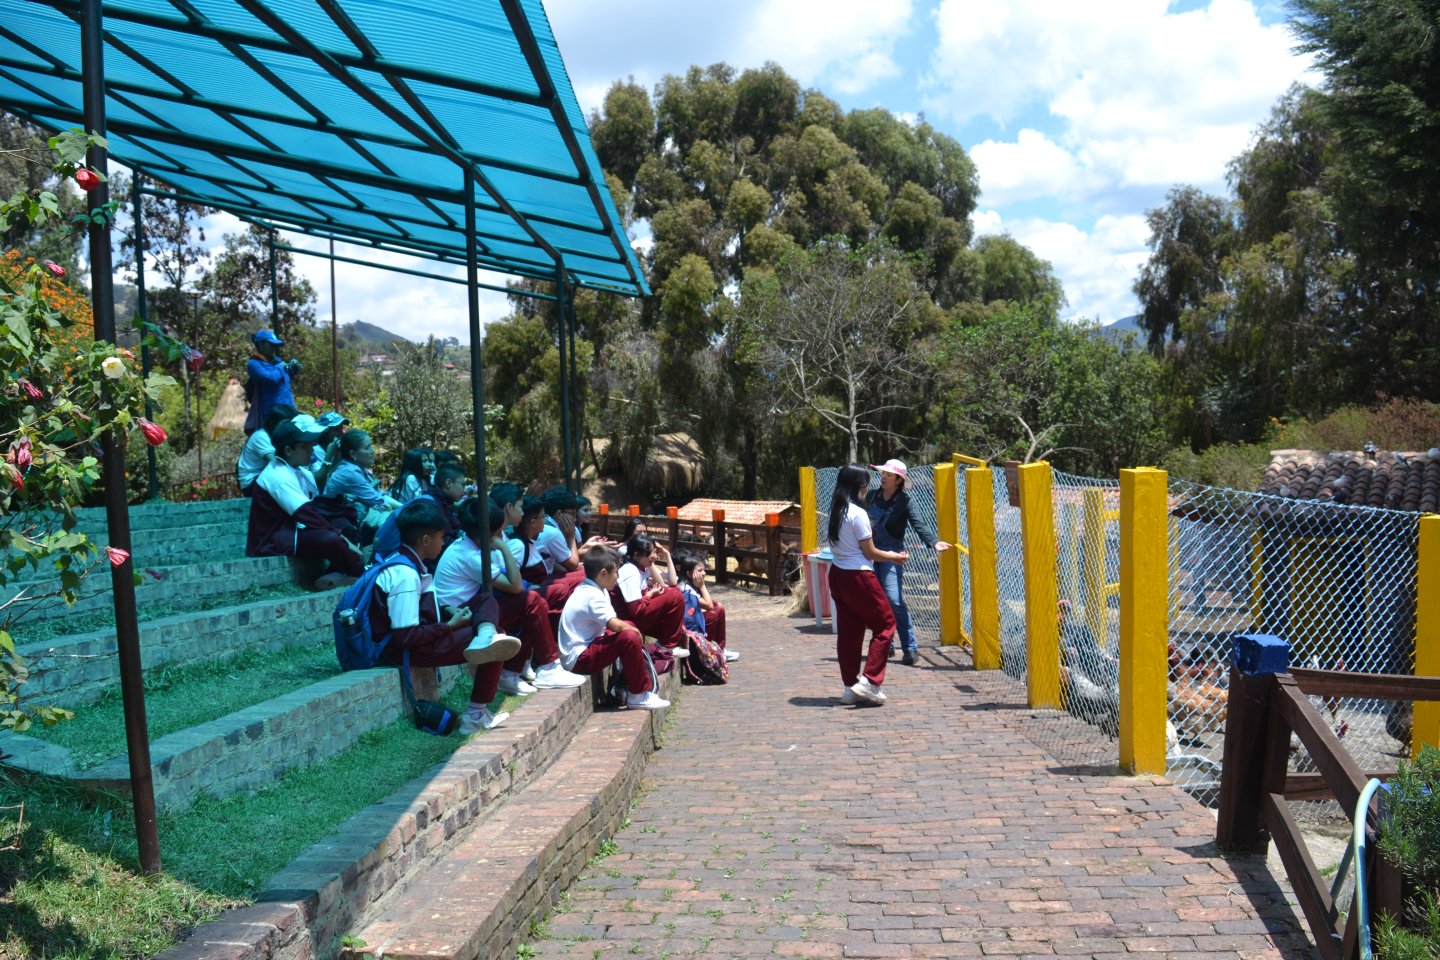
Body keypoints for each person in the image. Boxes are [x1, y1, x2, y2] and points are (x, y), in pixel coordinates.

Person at [372, 499, 522, 735]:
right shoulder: (405, 576)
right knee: (499, 642)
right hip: (408, 650)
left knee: (485, 599)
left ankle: (485, 633)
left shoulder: (411, 562)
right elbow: (405, 636)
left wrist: (449, 613)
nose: (443, 543)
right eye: (440, 538)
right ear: (425, 540)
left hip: (427, 632)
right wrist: (449, 626)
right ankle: (475, 715)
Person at [433, 499, 587, 696]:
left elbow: (513, 582)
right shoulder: (470, 556)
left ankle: (516, 672)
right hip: (464, 615)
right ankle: (546, 667)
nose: (501, 536)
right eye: (497, 532)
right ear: (485, 535)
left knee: (534, 601)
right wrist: (504, 548)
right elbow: (515, 586)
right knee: (532, 601)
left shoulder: (472, 546)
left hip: (478, 607)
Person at [246, 418, 364, 585]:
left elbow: (318, 503)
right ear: (288, 450)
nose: (311, 450)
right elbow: (306, 513)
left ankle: (335, 575)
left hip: (296, 529)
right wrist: (342, 537)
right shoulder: (277, 476)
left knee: (346, 522)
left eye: (311, 445)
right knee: (331, 538)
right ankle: (362, 574)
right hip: (276, 539)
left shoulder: (300, 471)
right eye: (304, 446)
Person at [827, 463, 907, 705]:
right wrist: (896, 556)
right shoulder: (857, 513)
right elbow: (870, 553)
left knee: (850, 633)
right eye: (866, 483)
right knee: (886, 624)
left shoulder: (835, 511)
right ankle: (870, 681)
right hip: (859, 576)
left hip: (838, 575)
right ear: (859, 486)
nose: (867, 487)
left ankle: (850, 687)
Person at [557, 545, 669, 711]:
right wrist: (636, 632)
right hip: (578, 659)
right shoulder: (591, 595)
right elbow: (615, 625)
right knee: (629, 636)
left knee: (629, 628)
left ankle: (630, 684)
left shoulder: (597, 588)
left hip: (588, 647)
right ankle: (638, 694)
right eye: (615, 572)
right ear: (603, 573)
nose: (617, 577)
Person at [865, 459, 951, 666]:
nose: (883, 477)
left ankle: (910, 648)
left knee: (894, 600)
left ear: (898, 480)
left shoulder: (906, 501)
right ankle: (885, 644)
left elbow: (919, 524)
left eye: (888, 475)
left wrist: (933, 542)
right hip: (868, 553)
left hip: (892, 554)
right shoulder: (870, 497)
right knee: (875, 603)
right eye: (883, 473)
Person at [616, 533, 688, 652]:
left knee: (671, 591)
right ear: (637, 555)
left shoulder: (641, 568)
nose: (655, 556)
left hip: (638, 614)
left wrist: (666, 555)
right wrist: (649, 595)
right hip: (628, 621)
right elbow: (634, 610)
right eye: (651, 553)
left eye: (655, 552)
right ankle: (669, 645)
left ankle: (666, 641)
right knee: (675, 595)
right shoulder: (630, 572)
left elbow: (666, 584)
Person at [323, 429, 400, 539]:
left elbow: (379, 495)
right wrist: (405, 509)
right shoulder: (349, 472)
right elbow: (379, 502)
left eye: (371, 446)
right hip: (338, 530)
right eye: (367, 448)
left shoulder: (357, 468)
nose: (372, 451)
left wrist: (406, 506)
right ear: (353, 453)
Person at [676, 551, 738, 662]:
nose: (704, 573)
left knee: (719, 608)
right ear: (689, 574)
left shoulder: (692, 583)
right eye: (699, 571)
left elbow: (707, 602)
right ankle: (708, 649)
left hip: (694, 619)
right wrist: (702, 586)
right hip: (688, 629)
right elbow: (708, 605)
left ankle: (719, 648)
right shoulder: (685, 588)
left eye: (704, 570)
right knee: (713, 613)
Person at [244, 330, 299, 434]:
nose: (274, 348)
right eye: (271, 344)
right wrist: (281, 366)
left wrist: (292, 371)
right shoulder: (254, 364)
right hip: (273, 414)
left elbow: (282, 383)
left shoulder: (277, 362)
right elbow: (271, 379)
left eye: (275, 345)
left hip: (289, 409)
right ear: (260, 344)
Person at [236, 403, 297, 495]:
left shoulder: (279, 437)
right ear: (274, 424)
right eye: (284, 424)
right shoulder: (261, 436)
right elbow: (277, 462)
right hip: (251, 482)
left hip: (264, 477)